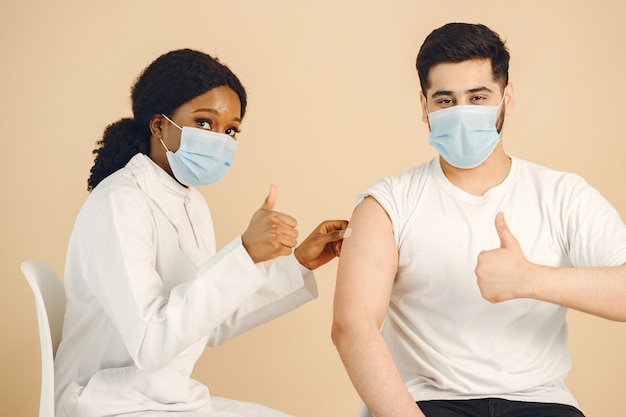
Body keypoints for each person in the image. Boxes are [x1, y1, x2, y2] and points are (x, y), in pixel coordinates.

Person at [331, 22, 626, 417]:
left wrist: (529, 280)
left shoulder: (562, 194)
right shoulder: (386, 203)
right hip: (426, 401)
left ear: (508, 99)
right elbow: (353, 325)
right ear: (425, 107)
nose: (463, 112)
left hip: (539, 400)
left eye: (478, 96)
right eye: (446, 101)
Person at [54, 48, 348, 417]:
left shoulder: (192, 204)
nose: (220, 140)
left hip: (166, 398)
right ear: (159, 125)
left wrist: (299, 262)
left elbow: (211, 321)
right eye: (205, 123)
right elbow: (150, 342)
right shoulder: (120, 202)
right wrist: (244, 253)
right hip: (107, 401)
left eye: (231, 130)